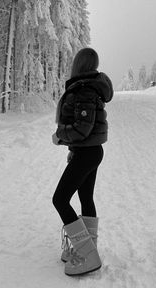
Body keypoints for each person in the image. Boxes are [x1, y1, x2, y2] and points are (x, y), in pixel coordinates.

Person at [52, 47, 113, 276]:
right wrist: (73, 149)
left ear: (79, 64)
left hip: (88, 152)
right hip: (88, 151)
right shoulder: (86, 87)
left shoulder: (85, 90)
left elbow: (82, 129)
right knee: (85, 197)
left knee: (60, 199)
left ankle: (87, 253)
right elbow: (85, 130)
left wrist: (60, 136)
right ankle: (88, 248)